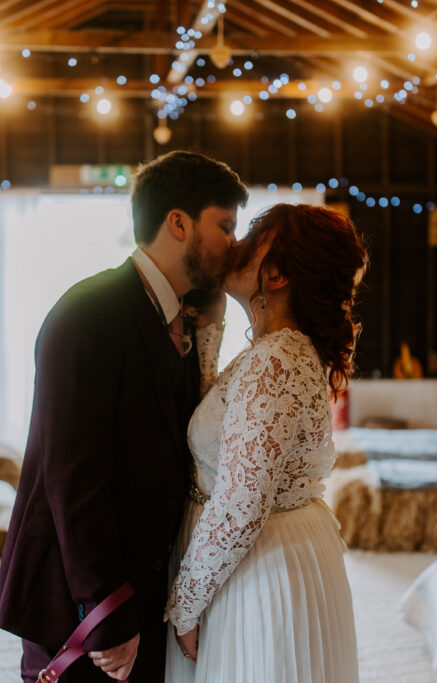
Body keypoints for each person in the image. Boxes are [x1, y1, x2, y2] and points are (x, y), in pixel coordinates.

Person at [0, 151, 248, 682]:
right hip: (77, 599)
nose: (234, 244)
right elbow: (72, 479)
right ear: (178, 223)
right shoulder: (87, 314)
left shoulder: (186, 316)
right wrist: (105, 610)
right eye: (225, 226)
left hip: (147, 586)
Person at [165, 204, 367, 683]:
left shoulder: (275, 360)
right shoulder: (277, 351)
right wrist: (209, 329)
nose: (237, 244)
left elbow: (240, 503)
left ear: (274, 276)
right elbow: (226, 426)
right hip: (266, 552)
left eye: (253, 235)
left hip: (257, 564)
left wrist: (186, 604)